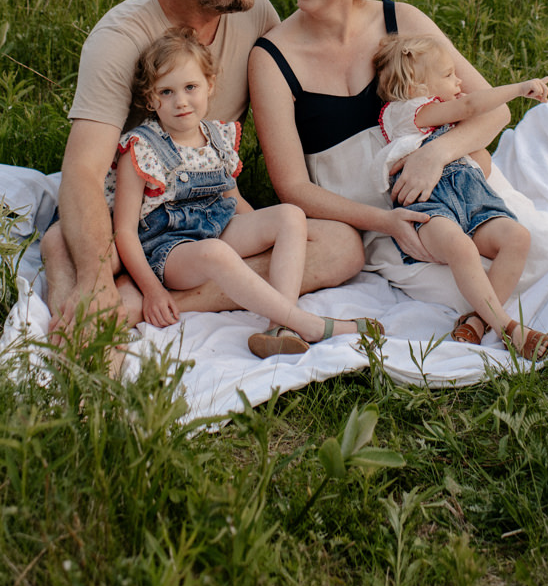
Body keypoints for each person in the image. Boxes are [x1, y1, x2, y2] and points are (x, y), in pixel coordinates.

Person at [45, 0, 365, 337]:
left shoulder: (255, 13)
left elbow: (311, 72)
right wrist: (97, 278)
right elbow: (83, 169)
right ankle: (96, 295)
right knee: (75, 247)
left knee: (342, 247)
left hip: (212, 207)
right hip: (144, 210)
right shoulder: (119, 38)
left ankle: (154, 304)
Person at [249, 0, 532, 314]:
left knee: (529, 262)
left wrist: (434, 156)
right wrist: (385, 221)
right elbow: (292, 186)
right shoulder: (271, 57)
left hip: (436, 188)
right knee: (451, 291)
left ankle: (486, 320)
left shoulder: (400, 19)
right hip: (363, 215)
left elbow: (495, 109)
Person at [112, 28, 379, 356]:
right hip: (170, 252)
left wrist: (266, 235)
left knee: (290, 216)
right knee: (216, 253)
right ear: (151, 98)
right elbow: (124, 231)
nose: (180, 101)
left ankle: (277, 326)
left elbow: (233, 201)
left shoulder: (217, 137)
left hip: (217, 229)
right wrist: (151, 290)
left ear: (209, 85)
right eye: (166, 92)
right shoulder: (141, 147)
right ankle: (306, 323)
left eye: (190, 87)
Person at [371, 33, 548, 358]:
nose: (458, 81)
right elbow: (471, 106)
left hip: (471, 198)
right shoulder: (406, 112)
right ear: (416, 86)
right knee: (461, 248)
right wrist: (517, 88)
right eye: (448, 75)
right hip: (430, 205)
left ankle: (477, 322)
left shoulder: (438, 112)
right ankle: (507, 327)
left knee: (517, 238)